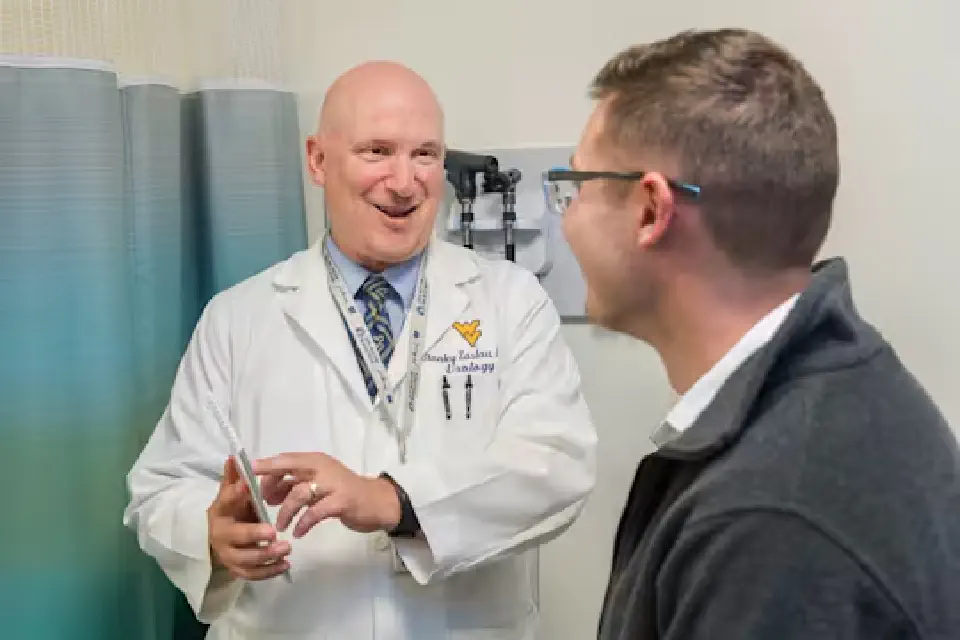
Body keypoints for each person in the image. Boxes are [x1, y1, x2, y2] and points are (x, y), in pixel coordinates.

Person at [123, 60, 597, 640]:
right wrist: (212, 536)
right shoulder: (239, 317)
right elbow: (163, 485)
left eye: (425, 154)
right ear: (318, 160)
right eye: (377, 151)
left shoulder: (509, 301)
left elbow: (558, 466)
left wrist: (392, 499)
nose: (403, 182)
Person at [547, 28, 960, 640]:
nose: (568, 217)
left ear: (650, 211)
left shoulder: (771, 521)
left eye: (576, 187)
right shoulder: (838, 390)